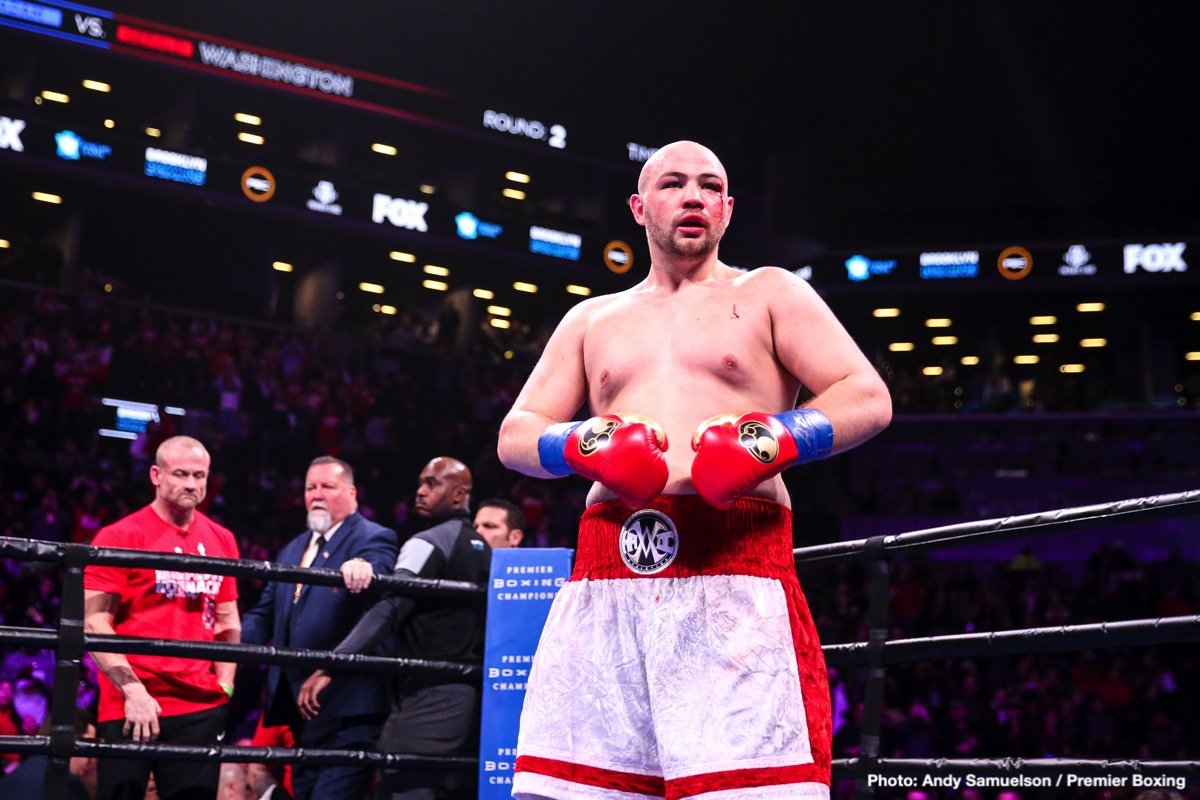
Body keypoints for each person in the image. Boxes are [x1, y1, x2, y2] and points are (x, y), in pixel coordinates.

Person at [496, 140, 892, 799]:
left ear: (728, 210)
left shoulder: (769, 292)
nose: (692, 196)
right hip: (608, 570)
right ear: (638, 205)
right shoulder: (592, 318)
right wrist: (585, 443)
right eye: (674, 183)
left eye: (709, 187)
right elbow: (515, 434)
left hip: (734, 562)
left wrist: (772, 440)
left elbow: (866, 396)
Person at [296, 456, 491, 800]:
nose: (420, 491)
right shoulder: (485, 549)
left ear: (460, 494)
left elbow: (389, 608)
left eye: (433, 484)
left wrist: (333, 663)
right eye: (420, 482)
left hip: (426, 697)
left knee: (401, 786)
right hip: (471, 701)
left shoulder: (427, 542)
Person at [83, 435, 242, 800]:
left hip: (200, 706)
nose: (191, 484)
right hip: (130, 701)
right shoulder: (120, 536)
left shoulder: (222, 539)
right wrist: (133, 691)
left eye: (199, 476)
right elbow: (94, 622)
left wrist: (226, 686)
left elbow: (227, 618)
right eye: (181, 474)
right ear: (156, 475)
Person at [240, 456, 398, 800]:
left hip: (349, 705)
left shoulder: (371, 536)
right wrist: (226, 644)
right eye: (311, 488)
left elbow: (379, 565)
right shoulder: (293, 548)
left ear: (352, 492)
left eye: (328, 487)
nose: (317, 495)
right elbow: (264, 613)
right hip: (301, 712)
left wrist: (363, 567)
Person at [0, 709, 98, 799]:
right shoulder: (66, 784)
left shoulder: (20, 772)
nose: (90, 759)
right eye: (87, 746)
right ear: (69, 742)